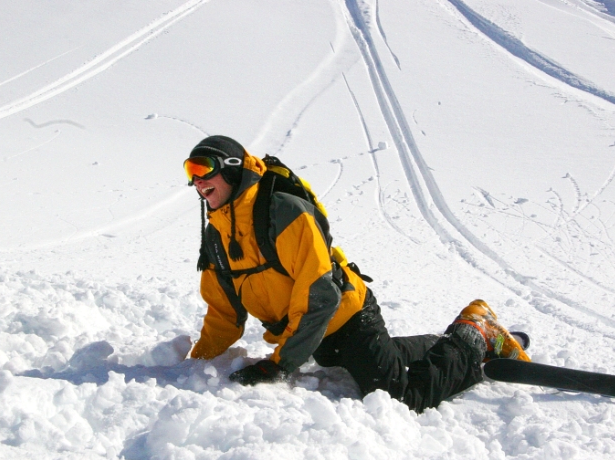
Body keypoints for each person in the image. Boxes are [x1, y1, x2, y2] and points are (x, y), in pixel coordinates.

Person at [185, 135, 530, 413]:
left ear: (232, 169)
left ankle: (474, 336)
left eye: (203, 168)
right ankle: (442, 345)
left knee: (400, 397)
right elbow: (224, 312)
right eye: (190, 172)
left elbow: (321, 295)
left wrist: (279, 365)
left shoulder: (283, 212)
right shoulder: (216, 234)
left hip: (348, 317)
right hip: (314, 336)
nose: (197, 181)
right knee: (379, 359)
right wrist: (194, 365)